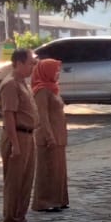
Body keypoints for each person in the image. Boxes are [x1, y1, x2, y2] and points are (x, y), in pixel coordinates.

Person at [0, 49, 39, 222]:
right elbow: (9, 116)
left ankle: (21, 217)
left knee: (26, 179)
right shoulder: (10, 84)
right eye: (31, 62)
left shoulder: (23, 83)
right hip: (17, 135)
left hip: (28, 135)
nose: (33, 66)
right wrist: (15, 144)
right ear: (19, 63)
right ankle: (10, 221)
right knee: (14, 180)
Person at [31, 57, 70, 212]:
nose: (58, 74)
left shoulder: (53, 87)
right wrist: (49, 136)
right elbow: (42, 116)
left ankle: (58, 199)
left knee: (58, 169)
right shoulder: (41, 90)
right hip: (49, 136)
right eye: (56, 70)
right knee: (47, 169)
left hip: (58, 134)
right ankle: (45, 201)